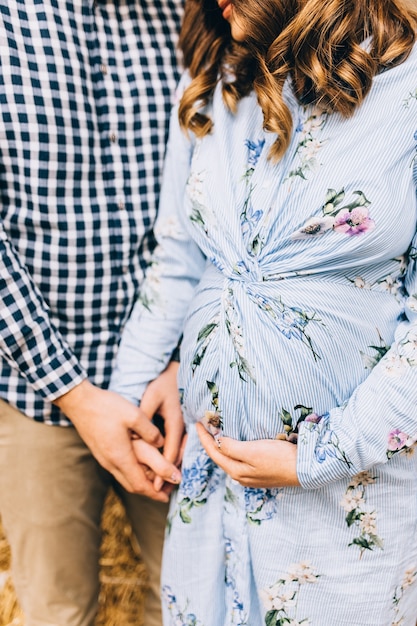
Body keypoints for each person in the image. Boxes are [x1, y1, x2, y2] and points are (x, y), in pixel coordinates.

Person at [109, 0, 417, 623]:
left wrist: (320, 454)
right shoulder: (220, 82)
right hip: (212, 487)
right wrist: (133, 391)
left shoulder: (406, 88)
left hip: (350, 495)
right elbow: (182, 260)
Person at [0, 1, 185, 625]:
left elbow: (221, 199)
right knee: (58, 612)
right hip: (39, 391)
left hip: (171, 393)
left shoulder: (190, 20)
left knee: (197, 604)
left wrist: (186, 360)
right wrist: (74, 393)